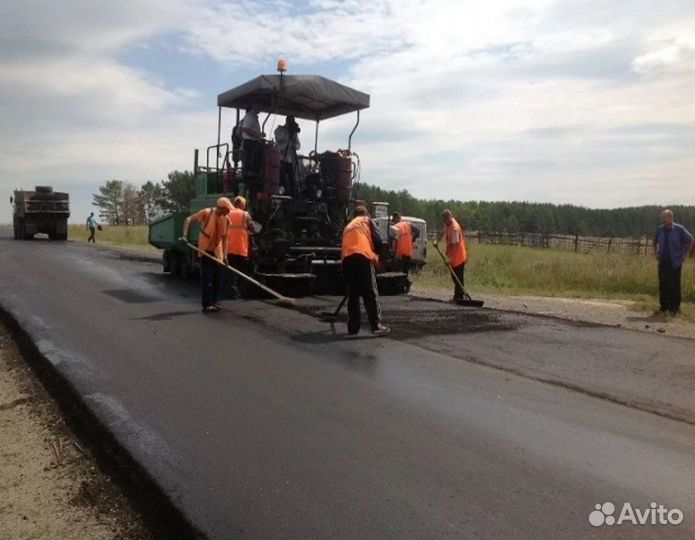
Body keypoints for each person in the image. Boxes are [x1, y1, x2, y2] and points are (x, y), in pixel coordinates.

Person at [341, 206, 390, 336]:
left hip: (346, 260)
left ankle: (353, 327)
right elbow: (379, 240)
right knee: (370, 292)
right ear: (365, 214)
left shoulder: (348, 226)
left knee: (353, 294)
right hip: (362, 256)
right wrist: (379, 260)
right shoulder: (366, 220)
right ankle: (376, 325)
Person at [181, 197, 232, 313]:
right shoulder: (207, 213)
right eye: (227, 209)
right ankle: (207, 304)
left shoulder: (227, 220)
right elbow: (188, 219)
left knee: (218, 278)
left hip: (217, 252)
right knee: (207, 278)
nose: (229, 212)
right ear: (221, 208)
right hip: (205, 250)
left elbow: (225, 240)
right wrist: (184, 235)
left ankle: (214, 302)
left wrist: (225, 257)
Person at [653, 209, 693, 314]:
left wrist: (686, 254)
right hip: (662, 261)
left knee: (674, 285)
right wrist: (655, 252)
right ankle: (663, 307)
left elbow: (691, 240)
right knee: (663, 284)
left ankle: (675, 308)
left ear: (671, 217)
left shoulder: (679, 229)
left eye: (664, 217)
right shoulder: (659, 230)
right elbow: (654, 241)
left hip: (675, 261)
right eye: (662, 217)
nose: (662, 220)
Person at [434, 209, 468, 302]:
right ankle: (457, 296)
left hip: (458, 256)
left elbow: (455, 246)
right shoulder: (447, 224)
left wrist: (450, 259)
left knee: (458, 278)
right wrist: (437, 240)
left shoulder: (454, 229)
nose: (444, 222)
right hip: (451, 255)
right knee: (454, 277)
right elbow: (442, 232)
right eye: (443, 220)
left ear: (449, 217)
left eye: (445, 220)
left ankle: (459, 297)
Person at [226, 196, 254, 299]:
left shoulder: (228, 213)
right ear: (242, 204)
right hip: (241, 248)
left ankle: (231, 293)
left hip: (229, 248)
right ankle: (242, 293)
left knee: (231, 272)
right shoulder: (245, 214)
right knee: (242, 273)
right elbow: (253, 228)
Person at [389, 212, 420, 284]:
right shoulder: (408, 224)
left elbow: (390, 240)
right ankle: (405, 284)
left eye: (393, 220)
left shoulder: (394, 227)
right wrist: (412, 239)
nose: (393, 222)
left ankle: (399, 286)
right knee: (405, 271)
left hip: (399, 253)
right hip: (408, 252)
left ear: (396, 219)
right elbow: (418, 231)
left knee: (398, 272)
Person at [274, 116, 301, 197]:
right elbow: (278, 139)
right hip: (281, 158)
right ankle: (283, 193)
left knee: (292, 178)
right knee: (282, 177)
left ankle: (293, 195)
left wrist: (293, 138)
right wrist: (287, 132)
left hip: (289, 160)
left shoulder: (294, 133)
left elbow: (298, 146)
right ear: (287, 121)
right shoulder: (280, 129)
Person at [236, 103, 264, 179]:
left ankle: (256, 175)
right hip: (249, 143)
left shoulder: (253, 117)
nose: (261, 108)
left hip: (252, 142)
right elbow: (245, 129)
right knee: (249, 163)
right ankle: (250, 177)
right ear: (253, 106)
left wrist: (258, 136)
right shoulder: (249, 116)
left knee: (255, 163)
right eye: (259, 105)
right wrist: (257, 135)